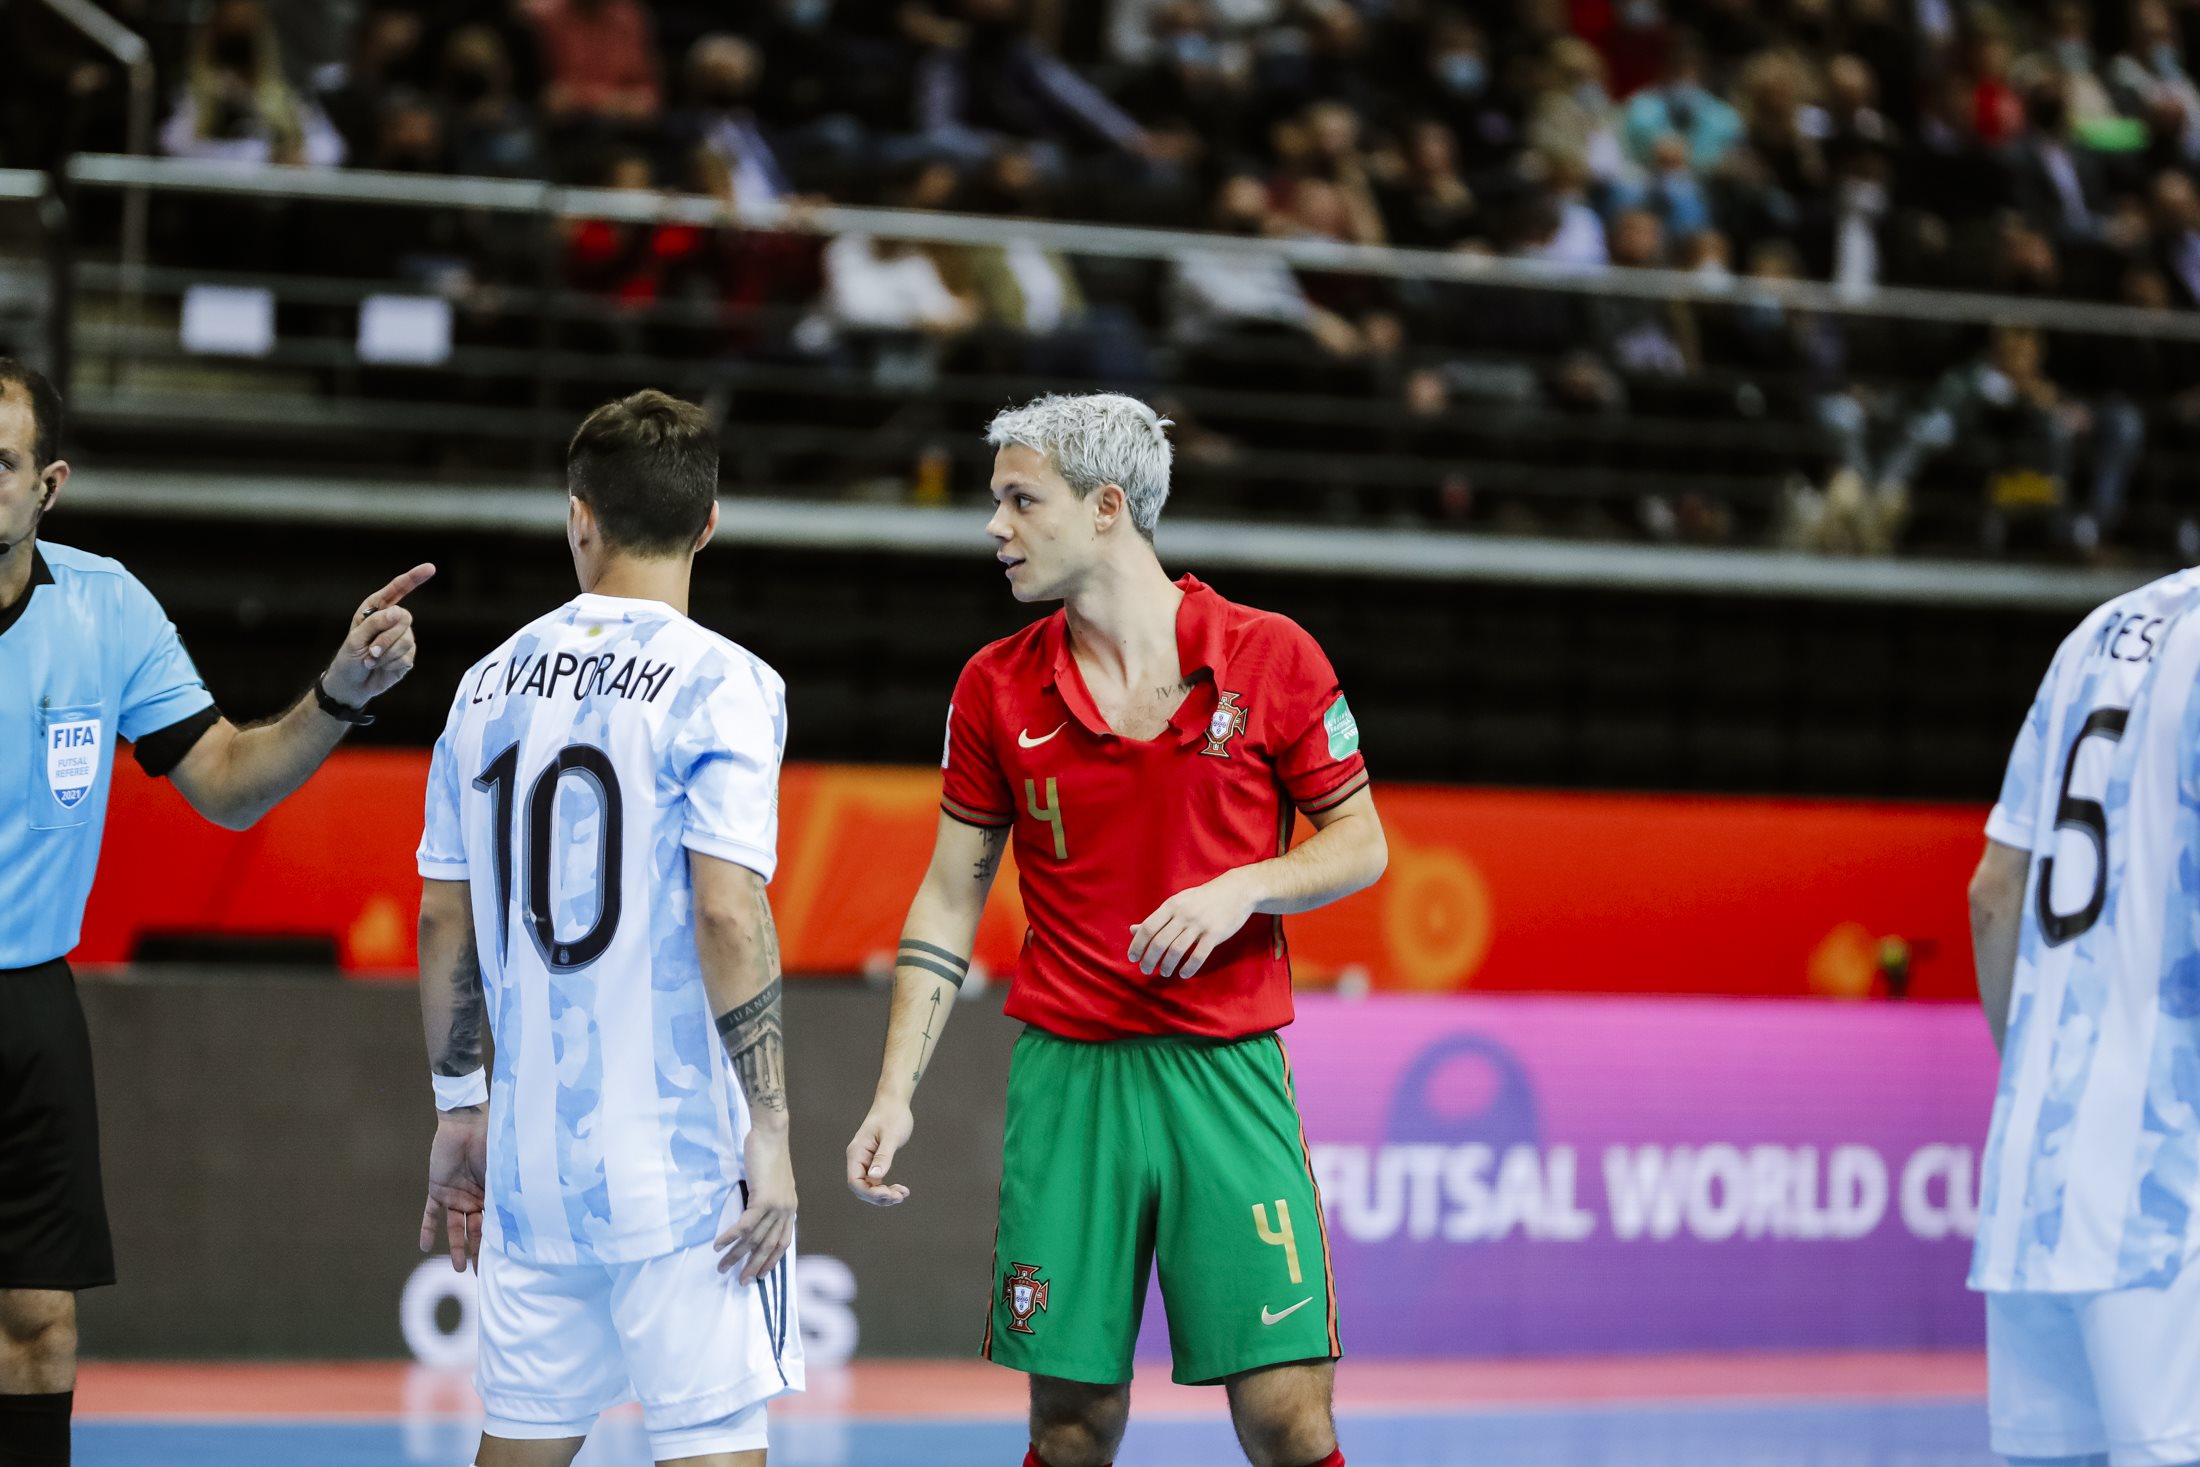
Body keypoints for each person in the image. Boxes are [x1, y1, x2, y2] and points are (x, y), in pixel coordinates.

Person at [843, 392, 1388, 1467]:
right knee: (1072, 1424)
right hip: (1071, 1080)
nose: (993, 527)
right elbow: (952, 892)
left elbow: (1359, 843)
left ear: (1104, 508)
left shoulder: (1269, 654)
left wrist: (1244, 886)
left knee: (1286, 1420)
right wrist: (894, 1089)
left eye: (1018, 499)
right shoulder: (992, 685)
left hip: (1225, 1078)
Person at [0, 357, 430, 1466]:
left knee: (36, 1325)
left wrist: (340, 695)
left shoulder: (104, 606)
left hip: (24, 1010)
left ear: (47, 485)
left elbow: (230, 781)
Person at [413, 390, 801, 1467]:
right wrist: (768, 1133)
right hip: (681, 1174)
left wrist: (459, 1112)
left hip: (536, 1166)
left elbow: (443, 913)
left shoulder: (483, 686)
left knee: (522, 1445)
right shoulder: (727, 684)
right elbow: (728, 909)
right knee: (714, 1446)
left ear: (578, 514)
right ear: (709, 523)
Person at [1966, 563, 2200, 1467]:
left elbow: (1994, 893)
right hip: (2169, 1197)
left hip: (2035, 1182)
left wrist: (2037, 1087)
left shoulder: (2096, 633)